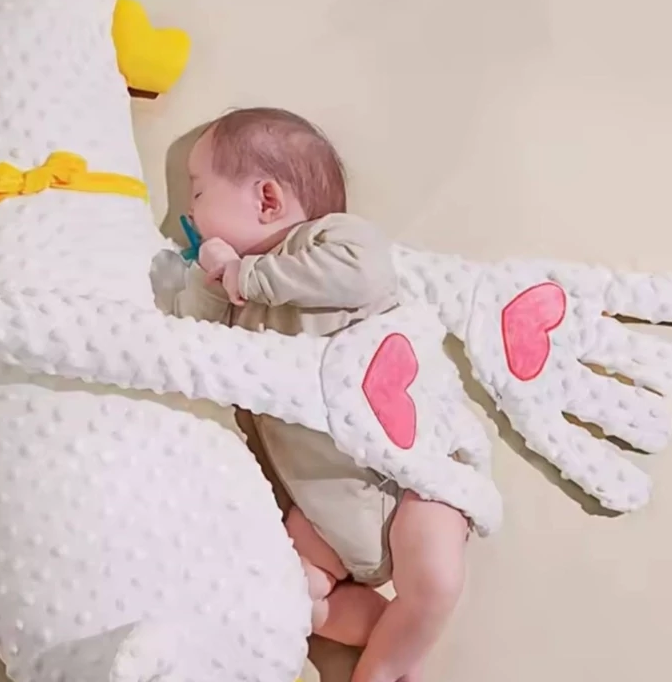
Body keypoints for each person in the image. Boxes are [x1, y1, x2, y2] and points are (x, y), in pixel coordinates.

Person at [172, 107, 468, 682]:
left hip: (408, 476)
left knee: (435, 579)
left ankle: (378, 669)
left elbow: (365, 274)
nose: (188, 211)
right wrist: (209, 283)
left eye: (199, 191)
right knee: (285, 596)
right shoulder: (236, 304)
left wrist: (248, 275)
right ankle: (397, 642)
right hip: (321, 508)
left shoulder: (331, 240)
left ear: (267, 199)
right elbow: (193, 346)